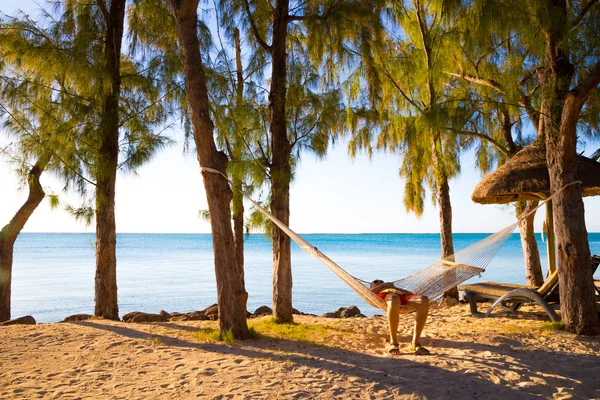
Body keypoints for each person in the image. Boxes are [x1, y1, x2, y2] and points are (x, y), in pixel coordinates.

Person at [370, 279, 430, 355]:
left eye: (381, 281)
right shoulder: (377, 291)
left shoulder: (393, 289)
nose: (379, 282)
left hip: (403, 300)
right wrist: (382, 286)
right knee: (394, 298)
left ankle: (415, 343)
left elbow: (411, 294)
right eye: (375, 282)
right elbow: (370, 293)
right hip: (389, 299)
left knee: (423, 299)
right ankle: (393, 343)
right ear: (372, 286)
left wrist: (395, 288)